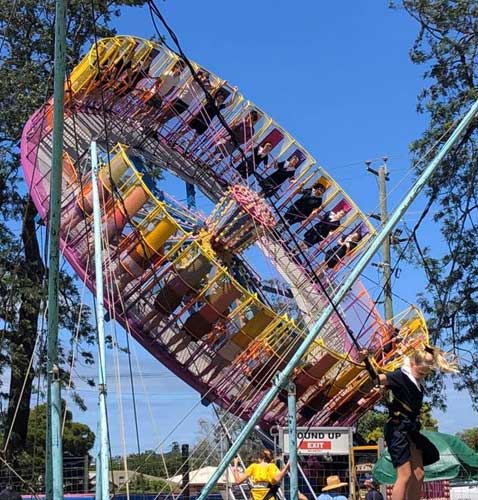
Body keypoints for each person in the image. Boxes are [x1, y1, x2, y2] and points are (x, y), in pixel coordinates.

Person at [376, 346, 459, 500]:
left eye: (425, 374)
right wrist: (371, 373)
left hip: (410, 429)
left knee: (419, 474)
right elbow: (380, 379)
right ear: (413, 363)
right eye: (421, 372)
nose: (422, 376)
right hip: (397, 428)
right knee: (405, 475)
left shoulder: (417, 381)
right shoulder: (401, 375)